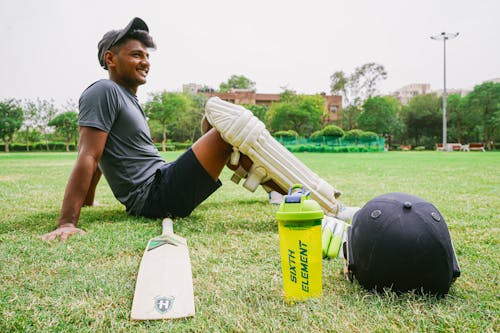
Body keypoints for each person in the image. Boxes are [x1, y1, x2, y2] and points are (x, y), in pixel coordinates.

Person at [42, 17, 235, 241]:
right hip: (153, 194)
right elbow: (89, 154)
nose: (145, 62)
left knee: (233, 131)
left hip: (162, 182)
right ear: (110, 58)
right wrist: (67, 222)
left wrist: (88, 200)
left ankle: (278, 191)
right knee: (229, 126)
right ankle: (280, 191)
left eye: (146, 56)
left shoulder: (129, 99)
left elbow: (102, 154)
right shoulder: (104, 91)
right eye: (136, 55)